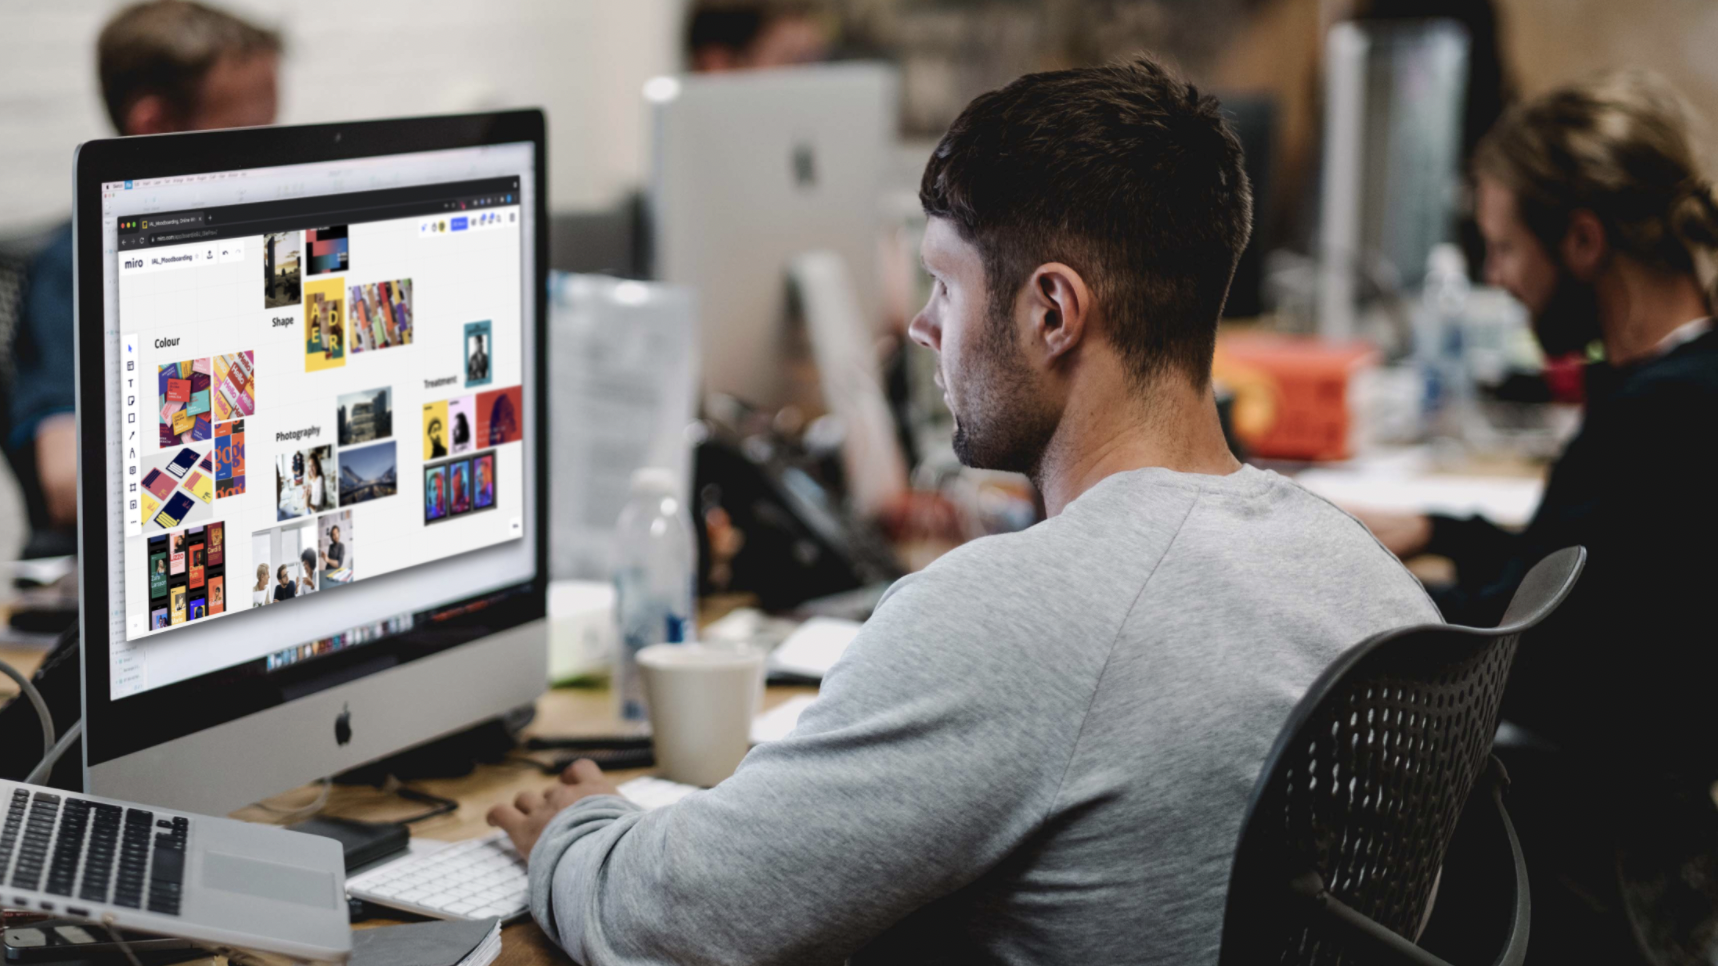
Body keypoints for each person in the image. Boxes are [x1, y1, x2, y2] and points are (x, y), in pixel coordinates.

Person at [487, 58, 1439, 965]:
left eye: (945, 283)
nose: (922, 326)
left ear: (1052, 313)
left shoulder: (1012, 618)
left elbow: (672, 924)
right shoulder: (1365, 576)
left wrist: (577, 831)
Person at [1354, 71, 1718, 965]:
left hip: (1606, 857)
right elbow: (1589, 554)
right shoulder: (1679, 383)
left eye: (1506, 249)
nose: (1497, 279)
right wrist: (1438, 530)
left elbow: (1521, 633)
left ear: (1585, 240)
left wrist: (1350, 591)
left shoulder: (1659, 417)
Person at [5, 1, 280, 556]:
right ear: (155, 125)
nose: (273, 159)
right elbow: (66, 481)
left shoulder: (250, 243)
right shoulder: (74, 269)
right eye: (248, 136)